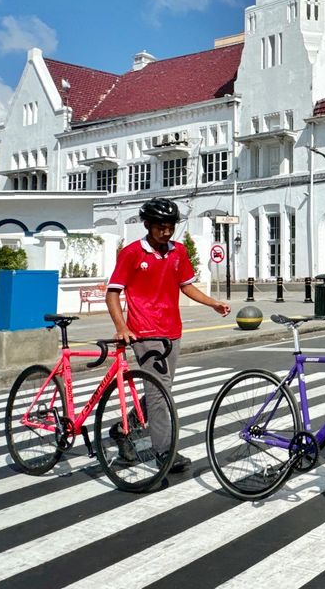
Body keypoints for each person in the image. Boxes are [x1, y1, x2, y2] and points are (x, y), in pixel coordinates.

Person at [105, 198, 231, 473]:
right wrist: (121, 327)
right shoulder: (132, 253)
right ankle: (164, 451)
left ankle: (122, 430)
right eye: (161, 227)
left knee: (160, 391)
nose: (166, 232)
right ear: (147, 225)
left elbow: (186, 286)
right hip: (144, 332)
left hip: (172, 331)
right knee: (160, 393)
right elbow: (112, 292)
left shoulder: (178, 252)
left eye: (170, 226)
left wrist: (213, 303)